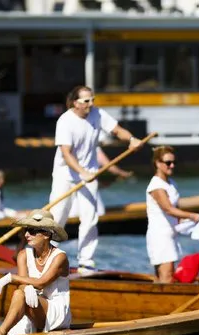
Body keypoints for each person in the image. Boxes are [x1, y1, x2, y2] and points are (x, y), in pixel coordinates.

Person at [49, 85, 142, 273]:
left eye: (92, 99)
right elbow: (66, 154)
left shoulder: (97, 114)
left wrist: (131, 139)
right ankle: (46, 255)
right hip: (65, 174)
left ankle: (86, 261)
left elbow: (116, 130)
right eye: (86, 101)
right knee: (57, 217)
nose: (91, 104)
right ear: (75, 103)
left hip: (90, 174)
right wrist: (82, 172)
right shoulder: (65, 121)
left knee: (90, 218)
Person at [0, 209, 71, 335]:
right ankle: (1, 332)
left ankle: (0, 332)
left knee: (21, 294)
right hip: (33, 305)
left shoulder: (60, 257)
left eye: (32, 231)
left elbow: (42, 282)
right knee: (19, 293)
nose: (26, 234)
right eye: (26, 230)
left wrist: (11, 277)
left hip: (56, 312)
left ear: (46, 234)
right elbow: (22, 286)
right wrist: (26, 288)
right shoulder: (23, 255)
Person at [146, 146, 199, 283]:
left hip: (171, 233)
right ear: (157, 163)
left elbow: (176, 210)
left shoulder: (171, 183)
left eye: (174, 163)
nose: (172, 166)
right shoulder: (156, 186)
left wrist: (184, 221)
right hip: (159, 235)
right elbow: (168, 209)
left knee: (168, 274)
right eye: (168, 163)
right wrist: (192, 216)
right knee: (167, 274)